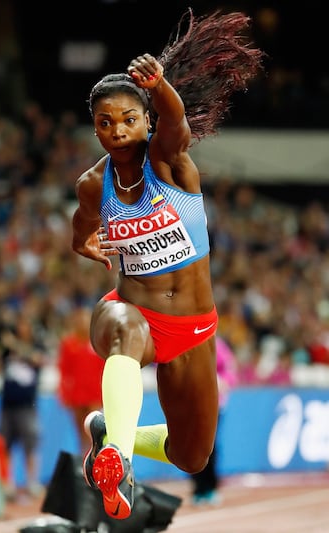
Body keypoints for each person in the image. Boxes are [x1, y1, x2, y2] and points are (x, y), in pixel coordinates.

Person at [72, 8, 263, 520]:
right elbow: (80, 230)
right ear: (95, 129)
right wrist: (85, 245)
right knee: (123, 329)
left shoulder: (170, 162)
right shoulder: (95, 185)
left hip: (194, 327)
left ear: (147, 121)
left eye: (128, 119)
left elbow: (176, 121)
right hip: (131, 312)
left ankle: (109, 433)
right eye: (104, 123)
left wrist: (159, 87)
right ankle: (121, 463)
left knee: (191, 452)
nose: (116, 130)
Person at [0, 314, 46, 500]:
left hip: (27, 405)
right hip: (7, 404)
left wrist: (13, 344)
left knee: (30, 445)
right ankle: (7, 484)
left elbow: (37, 359)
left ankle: (32, 483)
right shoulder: (7, 349)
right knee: (5, 446)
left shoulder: (36, 346)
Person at [190, 335, 239, 505]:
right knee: (191, 446)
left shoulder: (218, 345)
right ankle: (198, 488)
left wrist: (223, 382)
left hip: (214, 403)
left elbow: (230, 370)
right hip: (191, 403)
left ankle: (210, 487)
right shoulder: (187, 344)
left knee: (208, 446)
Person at [57, 306, 105, 454]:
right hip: (77, 395)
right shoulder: (69, 344)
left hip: (95, 393)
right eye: (80, 321)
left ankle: (97, 458)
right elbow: (64, 371)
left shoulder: (97, 342)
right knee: (81, 431)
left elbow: (104, 369)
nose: (82, 324)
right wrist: (64, 394)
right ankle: (85, 461)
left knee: (94, 430)